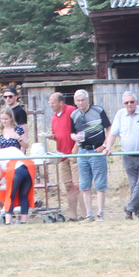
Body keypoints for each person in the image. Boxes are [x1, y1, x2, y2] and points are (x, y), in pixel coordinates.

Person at [104, 91, 139, 219]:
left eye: (132, 102)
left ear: (136, 102)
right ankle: (137, 213)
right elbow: (113, 133)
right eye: (126, 102)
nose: (129, 104)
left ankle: (129, 207)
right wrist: (108, 147)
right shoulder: (120, 115)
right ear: (123, 104)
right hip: (128, 156)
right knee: (134, 185)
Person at [70, 88, 110, 221]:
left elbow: (109, 128)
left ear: (88, 100)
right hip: (82, 151)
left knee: (100, 183)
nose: (80, 103)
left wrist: (105, 145)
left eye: (83, 100)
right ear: (75, 102)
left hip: (96, 151)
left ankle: (100, 212)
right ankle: (89, 213)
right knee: (84, 185)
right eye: (78, 100)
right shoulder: (74, 115)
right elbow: (71, 133)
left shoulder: (98, 111)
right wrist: (75, 137)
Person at [46, 90, 79, 218]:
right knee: (68, 185)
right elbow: (59, 134)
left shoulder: (71, 111)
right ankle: (73, 215)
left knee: (78, 185)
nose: (51, 105)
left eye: (53, 103)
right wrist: (52, 137)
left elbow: (78, 130)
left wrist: (76, 148)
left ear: (61, 102)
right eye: (50, 103)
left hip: (74, 154)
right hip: (62, 155)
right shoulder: (54, 117)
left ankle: (86, 213)